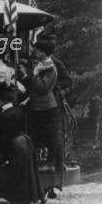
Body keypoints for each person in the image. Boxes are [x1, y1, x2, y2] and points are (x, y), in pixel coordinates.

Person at [0, 86, 43, 204]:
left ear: (1, 101)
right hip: (25, 142)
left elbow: (5, 137)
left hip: (15, 145)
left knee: (19, 177)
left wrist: (3, 156)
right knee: (26, 176)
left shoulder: (3, 116)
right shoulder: (19, 110)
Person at [28, 38, 62, 172]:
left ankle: (52, 163)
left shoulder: (50, 68)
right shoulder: (42, 65)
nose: (35, 53)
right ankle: (51, 163)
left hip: (46, 107)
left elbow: (43, 88)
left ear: (43, 52)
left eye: (37, 51)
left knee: (50, 135)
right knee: (39, 134)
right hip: (39, 106)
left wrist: (35, 75)